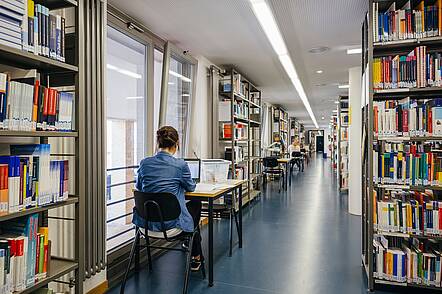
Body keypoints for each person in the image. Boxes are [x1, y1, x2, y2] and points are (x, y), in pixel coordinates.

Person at [133, 126, 203, 271]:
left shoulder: (144, 163)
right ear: (176, 144)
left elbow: (139, 187)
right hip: (171, 225)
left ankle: (192, 247)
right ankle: (194, 252)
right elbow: (191, 188)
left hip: (146, 224)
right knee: (196, 203)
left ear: (158, 143)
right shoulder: (180, 165)